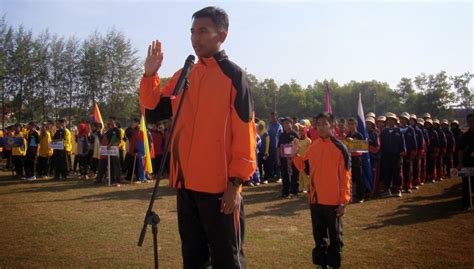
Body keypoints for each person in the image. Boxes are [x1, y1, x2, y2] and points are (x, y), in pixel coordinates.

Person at [139, 6, 256, 268]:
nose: (195, 38)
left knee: (228, 260)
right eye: (192, 31)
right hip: (186, 187)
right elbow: (153, 112)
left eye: (203, 31)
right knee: (193, 259)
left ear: (222, 35)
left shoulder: (235, 77)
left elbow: (245, 134)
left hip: (219, 189)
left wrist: (235, 183)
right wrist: (149, 75)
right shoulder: (184, 74)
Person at [292, 112, 351, 269]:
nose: (321, 127)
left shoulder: (340, 148)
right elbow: (305, 169)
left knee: (335, 236)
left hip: (333, 201)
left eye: (325, 123)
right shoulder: (314, 146)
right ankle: (320, 263)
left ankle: (333, 263)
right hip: (315, 199)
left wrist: (344, 201)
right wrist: (295, 155)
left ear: (332, 125)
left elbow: (345, 177)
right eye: (318, 124)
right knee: (319, 235)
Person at [379, 112, 406, 197]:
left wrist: (401, 157)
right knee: (387, 173)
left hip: (396, 156)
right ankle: (387, 190)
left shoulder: (399, 131)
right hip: (386, 156)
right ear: (387, 121)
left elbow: (402, 144)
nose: (391, 122)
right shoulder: (384, 132)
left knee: (396, 174)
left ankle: (397, 190)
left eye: (392, 120)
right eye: (389, 120)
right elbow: (381, 145)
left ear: (395, 121)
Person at [96, 117, 122, 186]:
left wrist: (111, 145)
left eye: (111, 121)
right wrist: (99, 132)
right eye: (109, 122)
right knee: (111, 165)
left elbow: (119, 140)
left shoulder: (117, 130)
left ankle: (118, 181)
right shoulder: (109, 130)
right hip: (109, 151)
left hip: (114, 150)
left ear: (114, 122)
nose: (110, 123)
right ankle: (111, 180)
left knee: (116, 165)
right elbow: (103, 138)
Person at [277, 117, 299, 198]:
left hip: (293, 158)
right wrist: (278, 158)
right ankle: (285, 192)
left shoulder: (295, 134)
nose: (285, 125)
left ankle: (294, 192)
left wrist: (293, 155)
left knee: (294, 175)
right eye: (284, 123)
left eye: (287, 123)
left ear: (291, 124)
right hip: (283, 158)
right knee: (284, 174)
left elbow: (297, 147)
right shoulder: (282, 135)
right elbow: (278, 147)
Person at [346, 118, 365, 202]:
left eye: (352, 124)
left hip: (357, 159)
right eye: (349, 124)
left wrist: (354, 142)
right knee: (351, 178)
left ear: (356, 125)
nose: (351, 126)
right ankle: (352, 195)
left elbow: (363, 147)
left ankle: (361, 196)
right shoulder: (348, 135)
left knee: (359, 178)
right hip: (350, 159)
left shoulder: (359, 135)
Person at [457, 113, 474, 210]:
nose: (471, 123)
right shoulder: (465, 136)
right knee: (466, 184)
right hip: (467, 163)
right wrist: (460, 163)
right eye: (470, 121)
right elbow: (460, 150)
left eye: (473, 121)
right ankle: (466, 204)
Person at [399, 112, 417, 193]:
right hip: (399, 154)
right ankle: (400, 186)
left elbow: (414, 143)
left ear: (407, 120)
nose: (402, 120)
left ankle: (408, 186)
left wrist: (412, 154)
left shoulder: (410, 130)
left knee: (407, 170)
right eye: (401, 118)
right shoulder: (397, 128)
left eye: (404, 119)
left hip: (408, 154)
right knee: (399, 171)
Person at [296, 123, 311, 193]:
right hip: (299, 159)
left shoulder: (308, 141)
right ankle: (300, 187)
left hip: (306, 160)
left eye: (302, 130)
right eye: (299, 130)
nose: (300, 132)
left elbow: (310, 151)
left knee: (305, 175)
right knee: (300, 174)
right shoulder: (298, 140)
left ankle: (306, 187)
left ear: (305, 131)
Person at [268, 111, 283, 182]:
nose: (273, 118)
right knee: (271, 162)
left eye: (274, 116)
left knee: (278, 161)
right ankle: (272, 176)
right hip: (270, 147)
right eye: (271, 116)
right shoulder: (269, 125)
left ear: (277, 117)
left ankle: (279, 176)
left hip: (277, 147)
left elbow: (281, 137)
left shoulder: (279, 126)